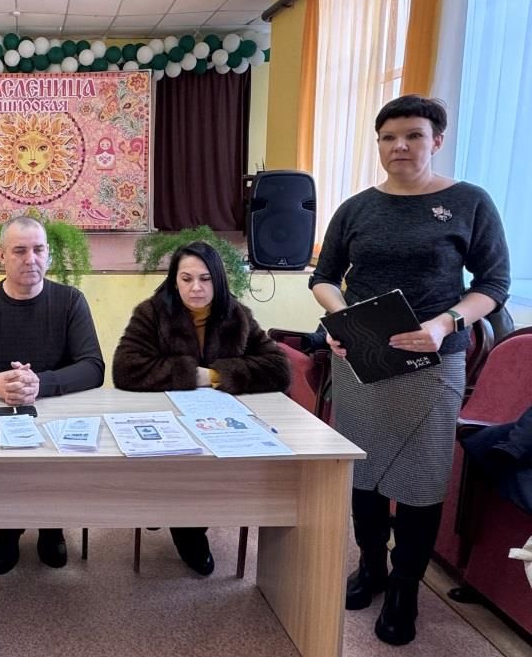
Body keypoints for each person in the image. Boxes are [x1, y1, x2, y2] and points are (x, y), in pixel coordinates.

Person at [310, 95, 510, 646]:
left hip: (435, 360)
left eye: (414, 135)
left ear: (436, 140)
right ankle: (371, 566)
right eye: (389, 137)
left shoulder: (469, 202)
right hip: (361, 358)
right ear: (378, 144)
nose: (400, 146)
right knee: (363, 470)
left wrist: (447, 323)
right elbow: (324, 277)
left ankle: (405, 589)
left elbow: (493, 284)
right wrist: (340, 321)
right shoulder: (357, 207)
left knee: (422, 477)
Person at [0, 216, 105, 574]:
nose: (31, 259)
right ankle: (7, 529)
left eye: (39, 250)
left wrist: (40, 384)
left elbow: (93, 367)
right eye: (20, 251)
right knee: (6, 458)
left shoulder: (70, 301)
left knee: (51, 458)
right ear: (1, 255)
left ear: (49, 254)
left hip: (55, 413)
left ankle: (51, 527)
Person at [112, 241, 290, 575]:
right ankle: (184, 527)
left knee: (220, 471)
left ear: (218, 280)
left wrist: (217, 375)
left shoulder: (237, 315)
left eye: (205, 279)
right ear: (174, 280)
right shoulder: (152, 313)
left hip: (220, 422)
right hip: (166, 419)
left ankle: (187, 522)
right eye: (187, 279)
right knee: (180, 468)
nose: (196, 287)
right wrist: (190, 375)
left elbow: (279, 369)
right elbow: (124, 369)